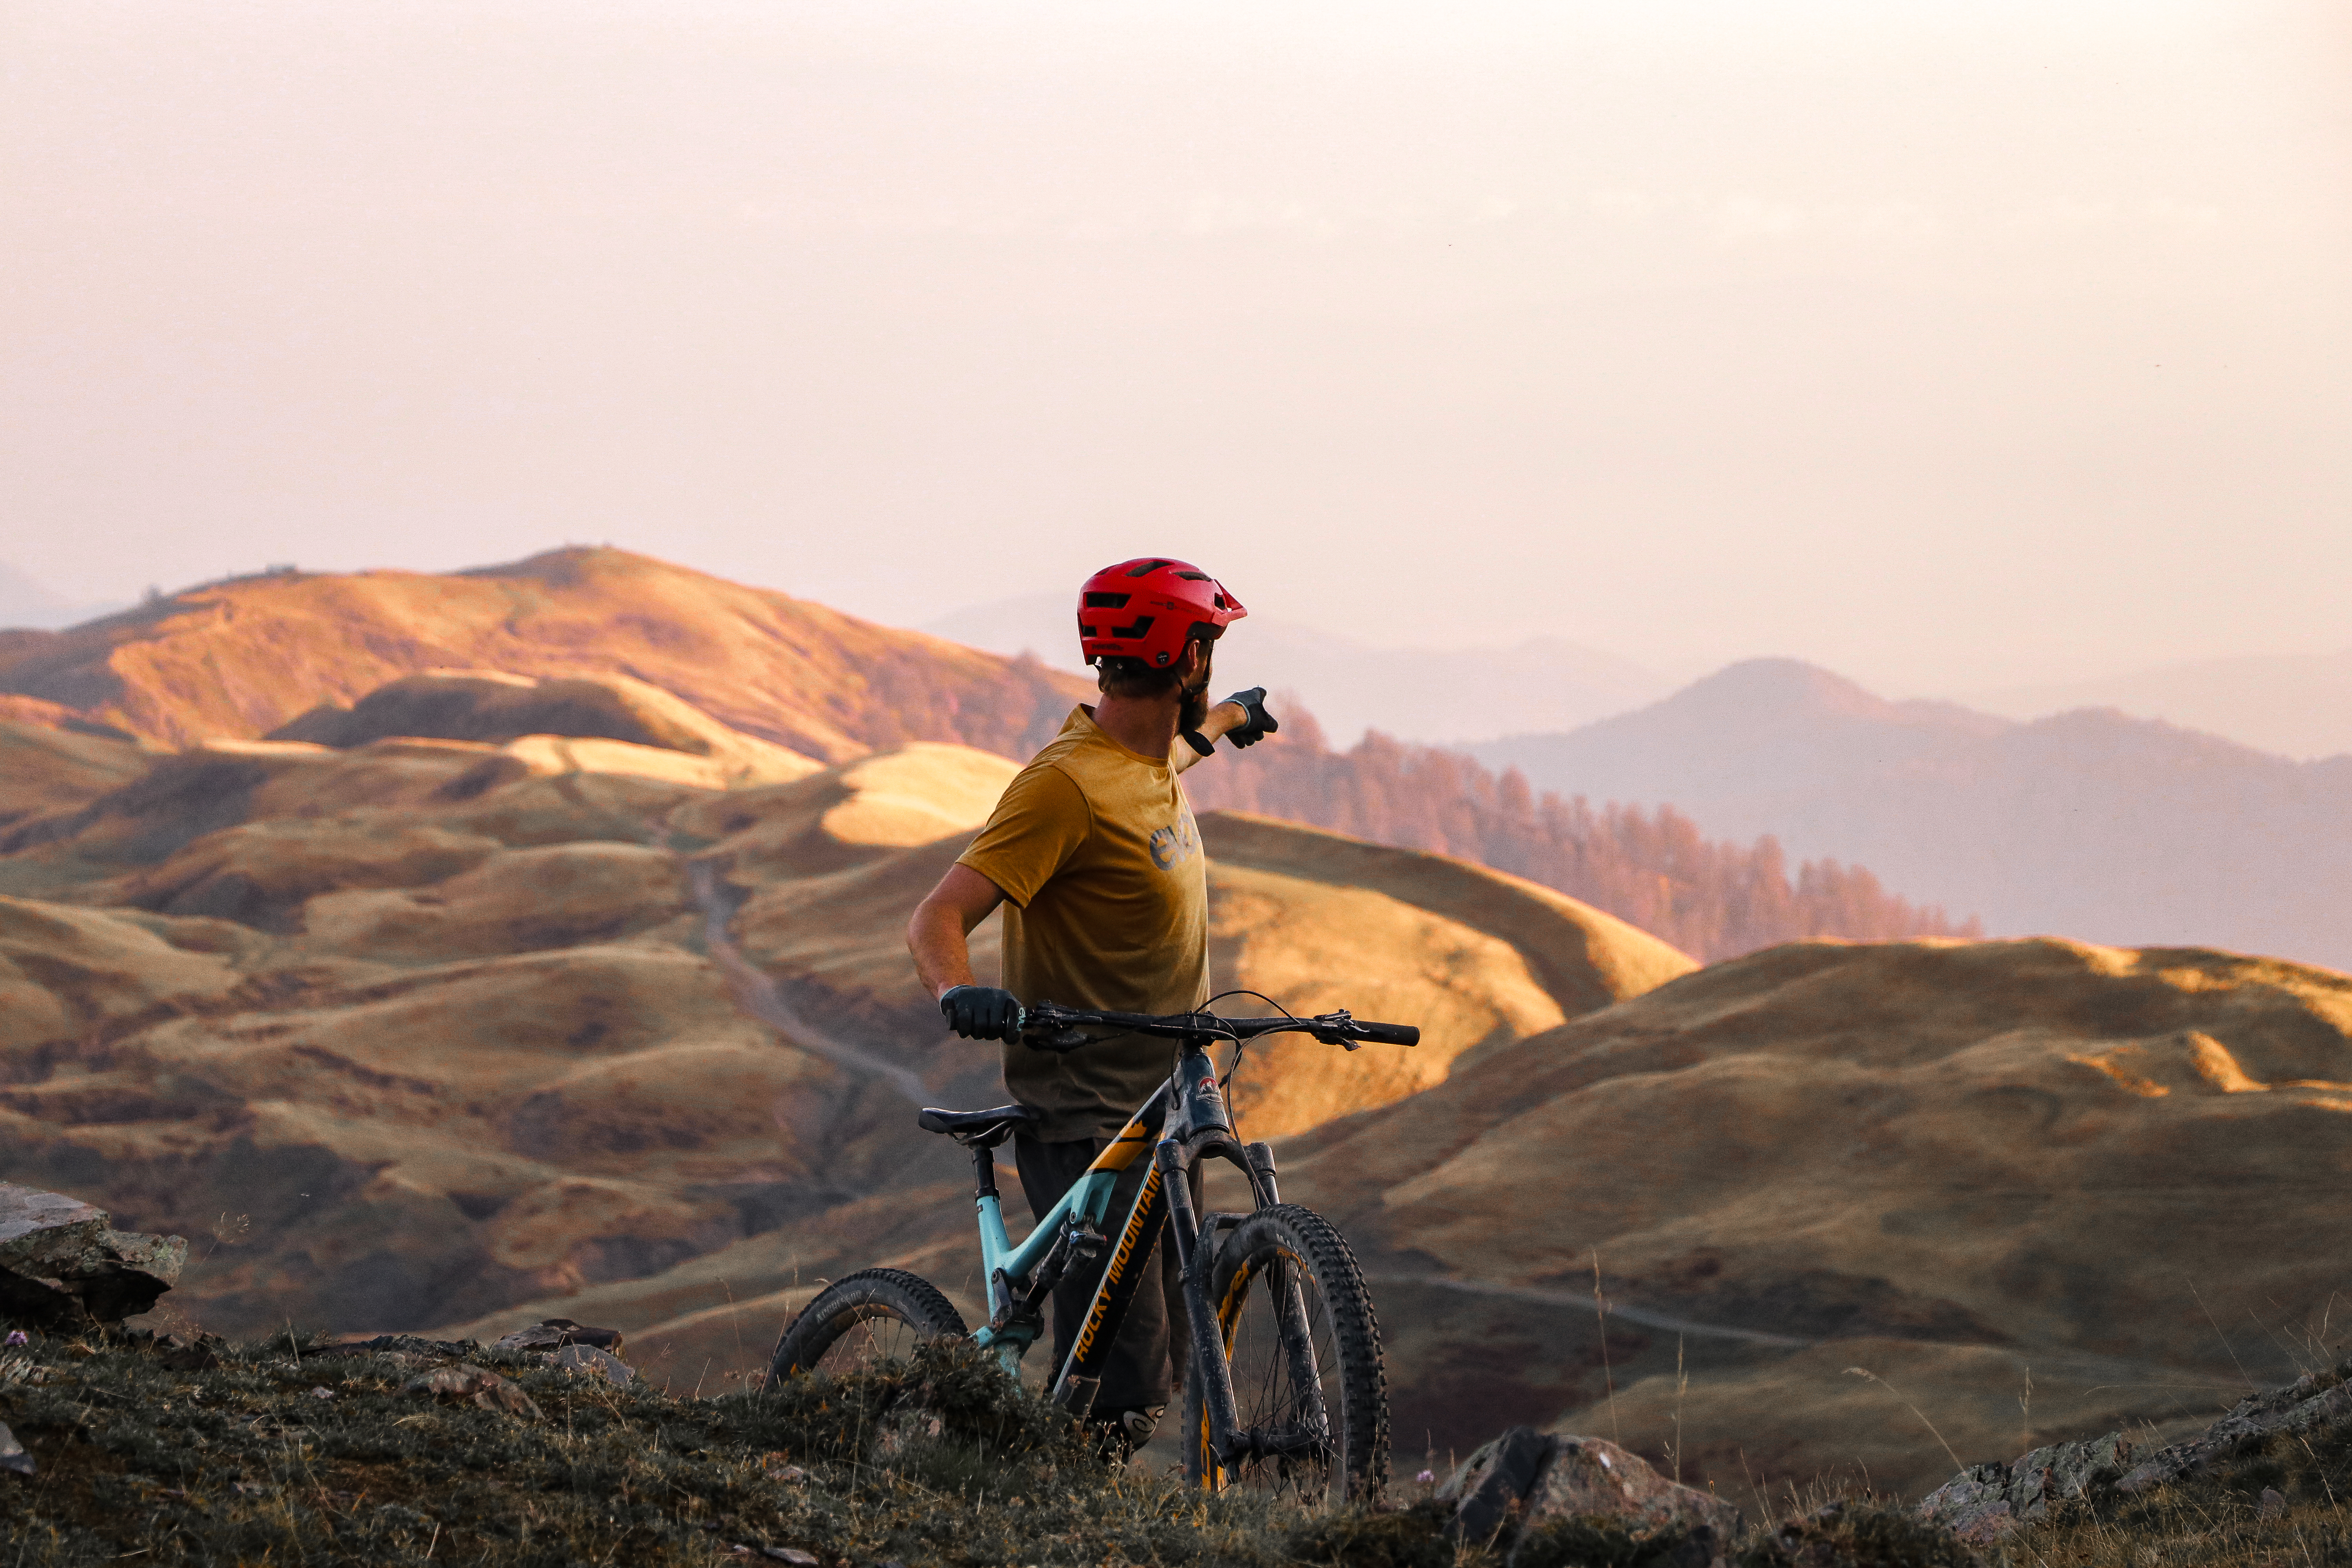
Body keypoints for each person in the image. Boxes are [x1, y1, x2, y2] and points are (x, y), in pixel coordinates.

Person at [905, 557, 1278, 1457]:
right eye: (1212, 652)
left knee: (1166, 1366)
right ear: (1188, 657)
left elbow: (1166, 758)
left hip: (1165, 1103)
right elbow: (939, 913)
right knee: (1120, 1385)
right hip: (1086, 1110)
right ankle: (1040, 1508)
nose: (1214, 668)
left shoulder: (1143, 765)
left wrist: (1228, 721)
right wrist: (961, 990)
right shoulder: (1064, 786)